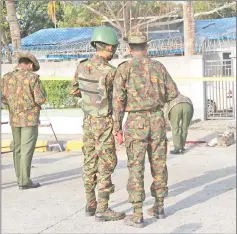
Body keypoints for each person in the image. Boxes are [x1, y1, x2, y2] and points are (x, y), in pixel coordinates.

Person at [112, 31, 179, 228]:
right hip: (157, 120)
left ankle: (137, 213)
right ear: (146, 47)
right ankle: (159, 207)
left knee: (136, 166)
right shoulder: (158, 66)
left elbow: (118, 100)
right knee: (159, 164)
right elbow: (173, 92)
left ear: (129, 49)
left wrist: (117, 126)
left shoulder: (124, 69)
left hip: (135, 121)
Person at [70, 26, 125, 222]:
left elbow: (74, 91)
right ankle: (103, 208)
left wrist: (89, 101)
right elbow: (118, 102)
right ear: (109, 47)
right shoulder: (111, 72)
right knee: (106, 163)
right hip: (105, 122)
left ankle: (90, 204)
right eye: (114, 47)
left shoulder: (81, 66)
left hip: (88, 122)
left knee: (89, 161)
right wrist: (118, 128)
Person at [1, 52, 47, 190]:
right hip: (30, 119)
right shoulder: (33, 78)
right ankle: (25, 181)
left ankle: (19, 178)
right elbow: (41, 99)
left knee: (18, 148)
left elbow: (3, 99)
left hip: (14, 118)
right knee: (27, 149)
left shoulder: (6, 77)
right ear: (31, 64)